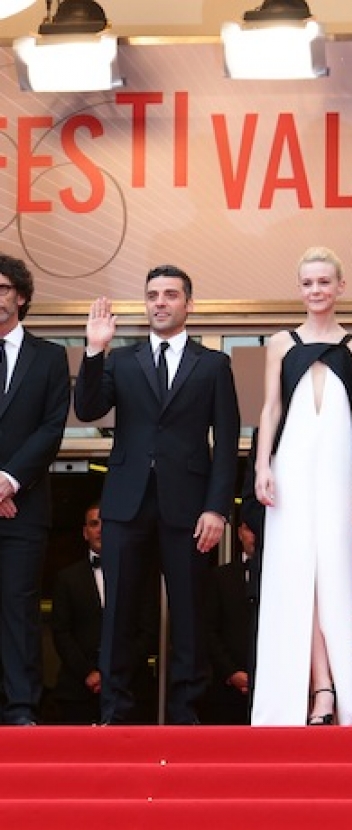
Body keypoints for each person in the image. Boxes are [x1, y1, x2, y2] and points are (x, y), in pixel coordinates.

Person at [74, 264, 240, 725]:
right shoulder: (122, 360)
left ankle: (187, 715)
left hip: (188, 506)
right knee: (119, 614)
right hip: (126, 503)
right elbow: (87, 409)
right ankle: (116, 713)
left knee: (189, 615)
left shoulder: (213, 364)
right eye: (153, 295)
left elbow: (227, 443)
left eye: (170, 294)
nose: (160, 302)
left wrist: (217, 508)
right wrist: (94, 351)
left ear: (189, 303)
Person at [252, 247, 352, 726]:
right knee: (296, 576)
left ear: (340, 286)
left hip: (342, 469)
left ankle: (335, 693)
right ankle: (320, 690)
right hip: (291, 469)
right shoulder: (281, 342)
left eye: (324, 282)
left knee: (335, 577)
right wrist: (262, 465)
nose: (315, 290)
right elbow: (270, 408)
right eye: (307, 283)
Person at [0, 253, 70, 726]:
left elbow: (51, 428)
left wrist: (7, 481)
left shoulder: (49, 357)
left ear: (21, 296)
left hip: (22, 508)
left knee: (19, 607)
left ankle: (21, 708)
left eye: (2, 288)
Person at [51, 502, 158, 724]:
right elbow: (61, 632)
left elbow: (148, 630)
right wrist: (88, 673)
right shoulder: (67, 578)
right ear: (85, 532)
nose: (100, 529)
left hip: (132, 687)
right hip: (78, 690)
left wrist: (116, 672)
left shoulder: (139, 576)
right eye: (94, 524)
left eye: (106, 523)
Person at [205, 520, 256, 724]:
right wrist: (231, 672)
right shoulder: (220, 577)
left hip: (275, 690)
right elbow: (208, 630)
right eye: (250, 529)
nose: (255, 536)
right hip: (225, 693)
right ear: (240, 532)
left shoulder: (285, 580)